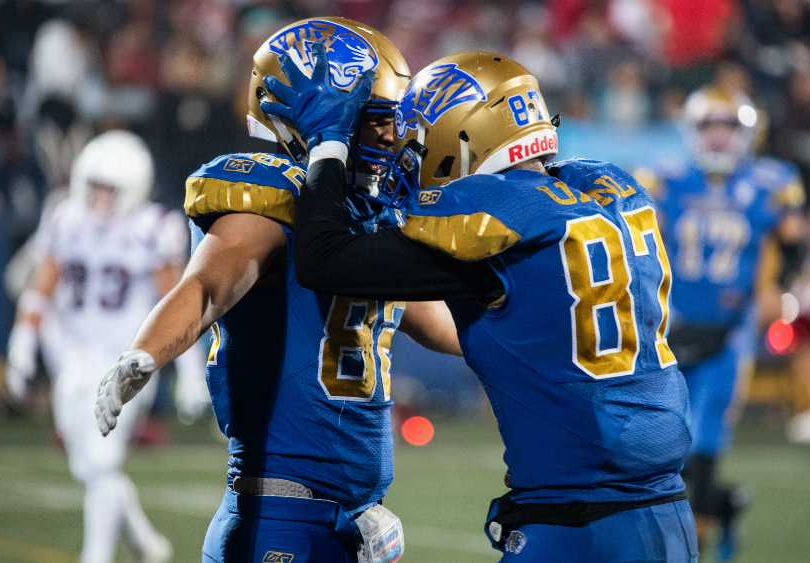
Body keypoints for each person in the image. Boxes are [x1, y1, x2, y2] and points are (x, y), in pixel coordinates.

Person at [263, 49, 698, 562]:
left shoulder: (499, 216)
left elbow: (324, 260)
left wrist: (329, 145)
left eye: (419, 144)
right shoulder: (608, 192)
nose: (410, 158)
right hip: (668, 511)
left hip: (579, 525)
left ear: (464, 137)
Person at [93, 18, 461, 563]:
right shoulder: (271, 201)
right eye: (373, 120)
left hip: (351, 521)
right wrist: (147, 351)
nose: (391, 137)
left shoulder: (363, 218)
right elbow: (208, 286)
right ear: (309, 121)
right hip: (281, 521)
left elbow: (448, 327)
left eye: (394, 122)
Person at [6, 130, 208, 563]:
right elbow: (41, 287)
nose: (99, 197)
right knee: (88, 467)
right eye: (94, 185)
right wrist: (21, 343)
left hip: (127, 363)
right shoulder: (64, 218)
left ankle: (96, 556)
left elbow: (176, 303)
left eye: (109, 189)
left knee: (99, 463)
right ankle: (144, 542)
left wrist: (191, 371)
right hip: (73, 359)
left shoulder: (152, 227)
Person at [638, 86, 806, 561]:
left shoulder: (772, 182)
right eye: (710, 126)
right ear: (693, 132)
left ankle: (694, 543)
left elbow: (795, 243)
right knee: (665, 446)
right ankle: (726, 508)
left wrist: (783, 289)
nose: (717, 137)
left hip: (731, 331)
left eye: (727, 127)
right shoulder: (666, 179)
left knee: (704, 447)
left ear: (745, 133)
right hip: (669, 328)